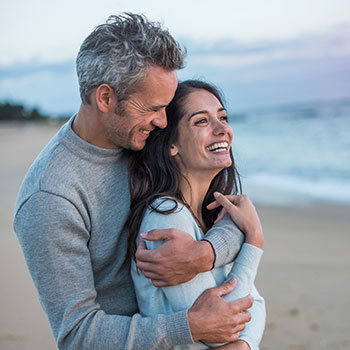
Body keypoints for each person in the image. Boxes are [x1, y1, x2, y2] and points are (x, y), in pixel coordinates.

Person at [14, 13, 253, 349]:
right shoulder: (51, 197)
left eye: (168, 107)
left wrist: (207, 253)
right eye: (152, 107)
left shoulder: (144, 138)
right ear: (106, 98)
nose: (163, 120)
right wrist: (189, 326)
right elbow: (77, 335)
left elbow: (225, 210)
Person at [127, 80, 266, 350]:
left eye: (223, 117)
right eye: (201, 121)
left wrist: (245, 345)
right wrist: (254, 241)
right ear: (171, 145)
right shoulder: (167, 216)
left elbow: (257, 303)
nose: (222, 129)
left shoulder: (204, 216)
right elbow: (224, 325)